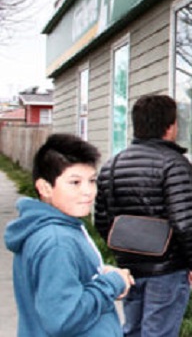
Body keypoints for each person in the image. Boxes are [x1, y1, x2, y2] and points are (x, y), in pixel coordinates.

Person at [94, 94, 192, 337]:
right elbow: (186, 222)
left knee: (133, 330)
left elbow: (102, 221)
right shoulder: (175, 164)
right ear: (169, 127)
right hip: (167, 269)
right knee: (159, 332)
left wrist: (125, 250)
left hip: (129, 267)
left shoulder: (112, 165)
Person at [5, 134, 135, 336]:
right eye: (75, 182)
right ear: (45, 188)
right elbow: (63, 319)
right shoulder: (57, 241)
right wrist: (113, 282)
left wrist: (98, 273)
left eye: (92, 181)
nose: (88, 191)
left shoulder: (58, 228)